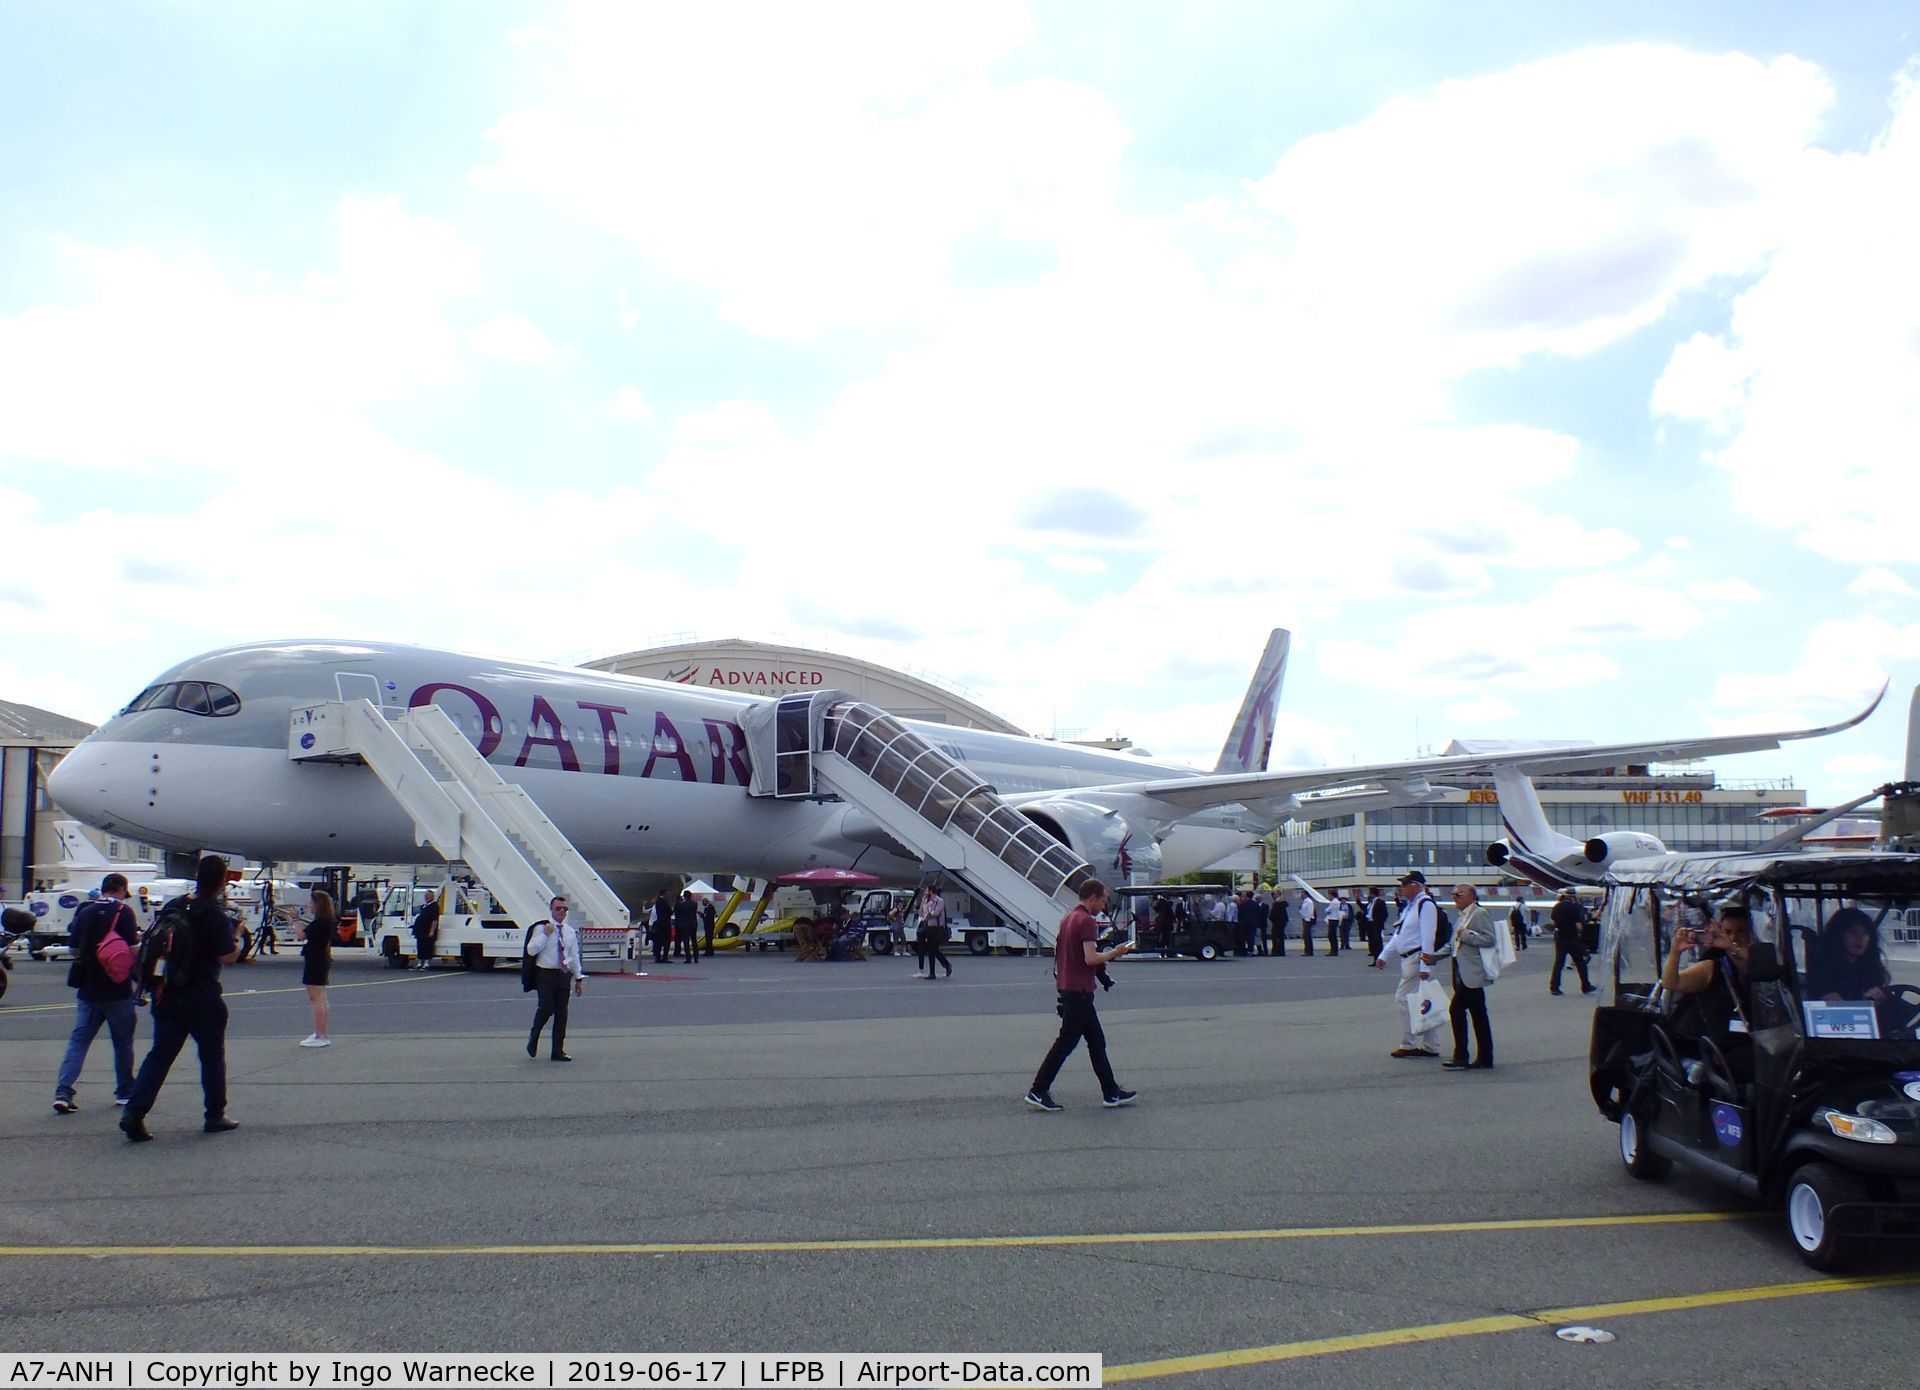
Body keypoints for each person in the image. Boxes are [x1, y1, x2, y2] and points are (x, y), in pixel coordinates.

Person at [120, 856, 242, 1141]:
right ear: (222, 881)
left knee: (160, 1055)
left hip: (168, 992)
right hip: (202, 994)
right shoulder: (214, 913)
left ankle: (134, 1112)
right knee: (212, 1056)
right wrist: (236, 935)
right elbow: (227, 956)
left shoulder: (174, 905)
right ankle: (215, 1114)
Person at [1025, 879, 1136, 1112]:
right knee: (1067, 1043)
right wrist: (1115, 953)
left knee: (1095, 1041)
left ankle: (1111, 1091)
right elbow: (1090, 958)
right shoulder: (1086, 921)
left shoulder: (1068, 918)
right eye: (1103, 899)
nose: (1104, 904)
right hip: (1080, 991)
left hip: (1068, 986)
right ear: (1093, 897)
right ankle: (1038, 1090)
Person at [53, 872, 140, 1114]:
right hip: (117, 988)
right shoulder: (124, 912)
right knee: (123, 1043)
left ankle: (63, 1090)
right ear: (122, 889)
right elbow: (132, 950)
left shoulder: (85, 911)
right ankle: (124, 1091)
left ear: (103, 889)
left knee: (79, 1041)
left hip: (88, 988)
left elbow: (73, 949)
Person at [1380, 870, 1441, 1059]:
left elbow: (1428, 935)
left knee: (1402, 998)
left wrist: (1425, 965)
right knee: (1422, 1002)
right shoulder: (1410, 907)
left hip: (1416, 958)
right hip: (1408, 958)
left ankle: (1408, 1043)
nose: (1401, 888)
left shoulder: (1425, 904)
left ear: (1415, 885)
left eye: (1405, 884)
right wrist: (1384, 954)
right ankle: (1430, 1044)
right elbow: (1399, 935)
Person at [1441, 883, 1495, 1070]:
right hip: (1461, 970)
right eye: (1453, 894)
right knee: (1478, 1013)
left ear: (1472, 897)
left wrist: (1467, 935)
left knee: (1456, 1010)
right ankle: (1485, 1057)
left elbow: (1489, 939)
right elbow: (1453, 944)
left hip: (1472, 972)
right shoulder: (1462, 916)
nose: (1455, 897)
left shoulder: (1479, 914)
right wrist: (1433, 956)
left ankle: (1461, 1055)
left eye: (1459, 894)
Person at [526, 895, 584, 1061]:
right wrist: (545, 935)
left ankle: (557, 1050)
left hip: (563, 974)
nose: (562, 912)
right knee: (546, 1008)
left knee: (561, 1014)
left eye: (564, 909)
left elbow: (573, 956)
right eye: (558, 908)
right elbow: (531, 950)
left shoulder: (570, 932)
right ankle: (534, 1036)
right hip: (545, 973)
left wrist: (578, 978)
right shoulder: (541, 928)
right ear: (551, 910)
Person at [299, 889, 336, 1048]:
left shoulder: (321, 923)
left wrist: (294, 919)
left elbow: (301, 935)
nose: (309, 905)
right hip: (320, 960)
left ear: (317, 904)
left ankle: (320, 1034)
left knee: (316, 999)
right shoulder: (326, 921)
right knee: (320, 997)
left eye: (311, 902)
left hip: (316, 961)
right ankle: (321, 1033)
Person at [1549, 889, 1596, 995]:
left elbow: (1553, 922)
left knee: (1558, 964)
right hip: (1572, 938)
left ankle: (1554, 987)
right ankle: (1585, 986)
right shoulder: (1574, 907)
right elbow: (1578, 925)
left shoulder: (1557, 906)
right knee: (1580, 963)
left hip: (1560, 938)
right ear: (1573, 897)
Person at [410, 895, 440, 971]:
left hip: (427, 930)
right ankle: (419, 963)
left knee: (427, 947)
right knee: (420, 947)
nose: (426, 897)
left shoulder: (434, 906)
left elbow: (435, 920)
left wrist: (432, 931)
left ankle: (426, 964)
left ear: (432, 896)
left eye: (428, 896)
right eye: (425, 896)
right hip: (420, 931)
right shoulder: (424, 906)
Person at [1365, 888, 1388, 962]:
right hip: (1369, 923)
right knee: (1372, 941)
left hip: (1376, 924)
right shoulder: (1370, 903)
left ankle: (1378, 958)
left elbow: (1385, 914)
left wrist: (1379, 923)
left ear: (1373, 894)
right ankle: (1374, 957)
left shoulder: (1380, 902)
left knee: (1377, 942)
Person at [649, 891, 671, 964]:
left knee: (658, 942)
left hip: (658, 924)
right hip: (665, 924)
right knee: (666, 941)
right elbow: (670, 911)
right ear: (664, 894)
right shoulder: (664, 902)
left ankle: (657, 957)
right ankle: (665, 957)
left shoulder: (657, 904)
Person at [1298, 890, 1318, 957]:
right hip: (1305, 919)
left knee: (1307, 936)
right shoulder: (1304, 902)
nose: (1301, 895)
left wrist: (1307, 920)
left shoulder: (1309, 902)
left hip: (1308, 920)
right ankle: (1307, 950)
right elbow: (1302, 911)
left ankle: (1309, 951)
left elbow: (1310, 912)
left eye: (1302, 894)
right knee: (1305, 936)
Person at [1270, 892, 1288, 957]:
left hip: (1277, 922)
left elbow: (1273, 913)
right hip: (1282, 922)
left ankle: (1276, 951)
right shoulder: (1283, 903)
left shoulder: (1277, 903)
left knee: (1276, 936)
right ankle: (1281, 951)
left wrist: (1271, 917)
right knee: (1280, 937)